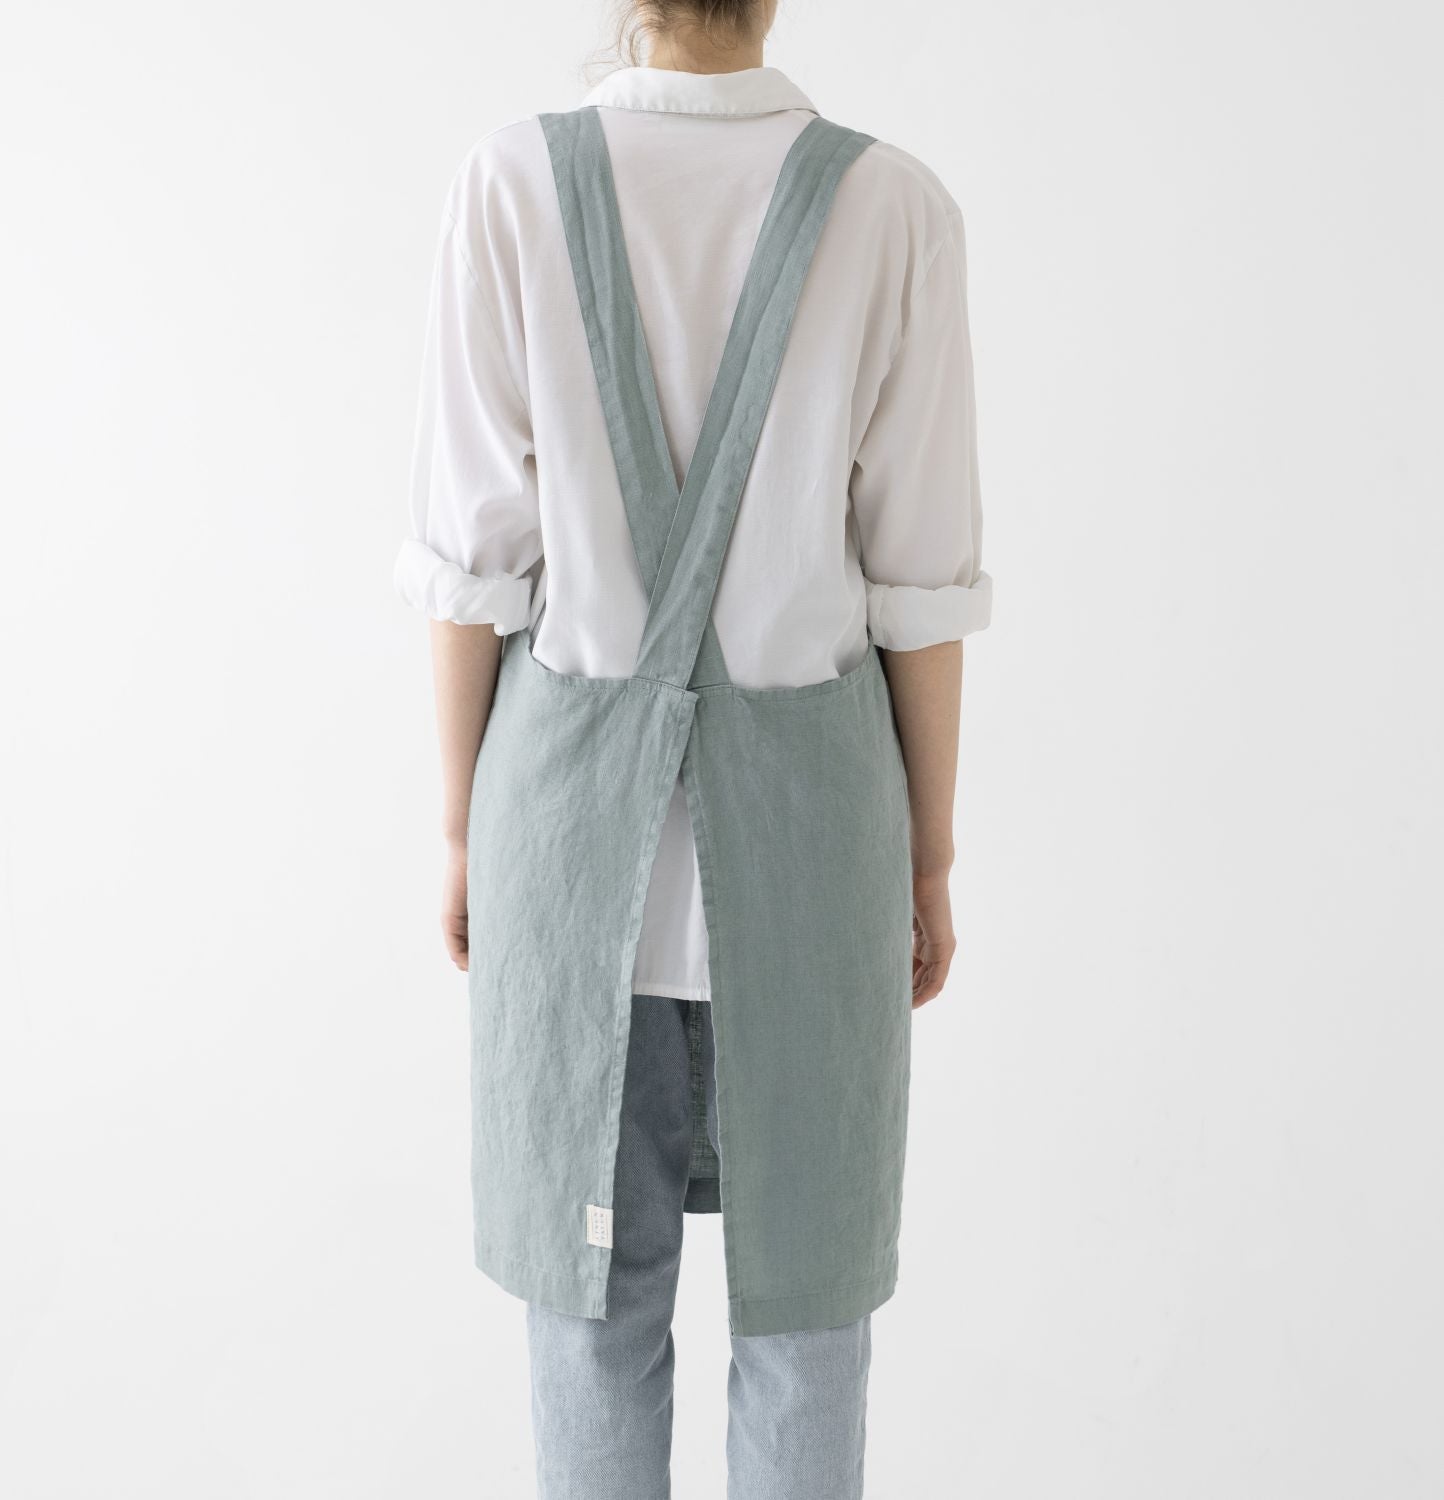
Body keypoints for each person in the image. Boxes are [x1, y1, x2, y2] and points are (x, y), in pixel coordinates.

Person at [394, 1, 991, 1494]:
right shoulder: (893, 206)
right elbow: (920, 584)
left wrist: (463, 829)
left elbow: (473, 565)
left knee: (591, 1320)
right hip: (815, 850)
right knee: (811, 1325)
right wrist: (927, 855)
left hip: (569, 841)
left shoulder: (509, 184)